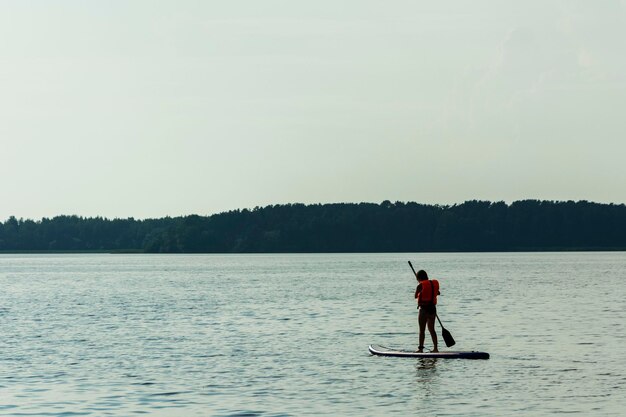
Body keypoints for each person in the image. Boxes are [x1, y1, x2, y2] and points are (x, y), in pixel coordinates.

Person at [414, 269, 440, 352]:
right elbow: (438, 293)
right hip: (432, 309)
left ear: (419, 278)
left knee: (422, 330)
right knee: (432, 329)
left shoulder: (420, 285)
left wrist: (420, 288)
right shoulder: (433, 284)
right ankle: (435, 348)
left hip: (424, 310)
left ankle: (420, 349)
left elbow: (415, 296)